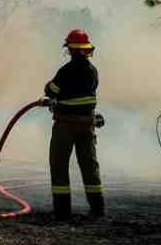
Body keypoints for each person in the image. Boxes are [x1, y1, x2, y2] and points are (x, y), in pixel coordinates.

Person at [42, 29, 104, 221]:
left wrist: (49, 93)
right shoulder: (93, 71)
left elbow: (51, 90)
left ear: (70, 49)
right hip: (86, 126)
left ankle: (62, 211)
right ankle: (98, 208)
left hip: (65, 126)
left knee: (59, 165)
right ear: (85, 50)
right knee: (89, 166)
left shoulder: (66, 71)